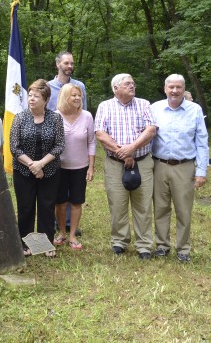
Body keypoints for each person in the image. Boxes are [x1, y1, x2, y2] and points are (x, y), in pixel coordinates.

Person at [95, 73, 156, 259]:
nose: (132, 86)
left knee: (143, 205)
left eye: (133, 83)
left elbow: (151, 129)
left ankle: (144, 245)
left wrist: (132, 148)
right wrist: (121, 152)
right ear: (116, 88)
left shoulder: (144, 104)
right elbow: (100, 133)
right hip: (115, 164)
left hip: (142, 162)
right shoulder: (105, 106)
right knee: (117, 204)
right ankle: (119, 241)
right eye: (127, 83)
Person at [151, 74, 209, 263]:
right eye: (171, 87)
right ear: (165, 88)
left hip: (185, 166)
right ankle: (162, 245)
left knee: (183, 210)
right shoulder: (155, 108)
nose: (175, 91)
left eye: (178, 87)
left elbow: (202, 142)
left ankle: (183, 249)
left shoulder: (195, 110)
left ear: (184, 89)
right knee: (160, 208)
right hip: (159, 165)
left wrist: (201, 171)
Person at [10, 79, 64, 258]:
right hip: (23, 171)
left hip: (50, 171)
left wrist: (41, 164)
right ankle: (25, 244)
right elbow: (14, 147)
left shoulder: (55, 118)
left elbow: (59, 145)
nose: (31, 99)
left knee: (46, 207)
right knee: (25, 208)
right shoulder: (20, 117)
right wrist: (33, 165)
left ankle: (44, 245)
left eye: (36, 96)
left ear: (46, 99)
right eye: (30, 95)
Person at [53, 84, 95, 250]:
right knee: (60, 202)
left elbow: (91, 142)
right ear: (65, 97)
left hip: (80, 166)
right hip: (59, 167)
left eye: (79, 95)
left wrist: (91, 167)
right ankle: (62, 233)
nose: (78, 98)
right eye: (73, 95)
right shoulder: (55, 116)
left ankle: (72, 236)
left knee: (77, 201)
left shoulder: (87, 116)